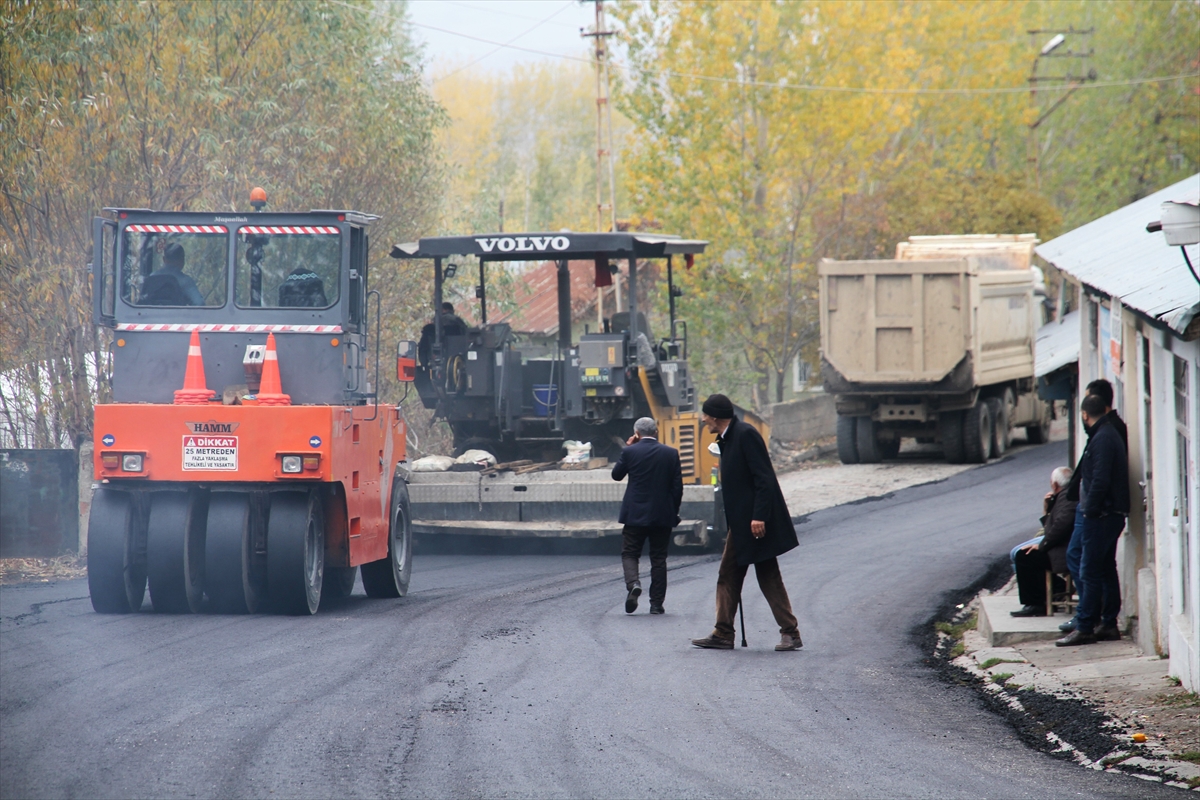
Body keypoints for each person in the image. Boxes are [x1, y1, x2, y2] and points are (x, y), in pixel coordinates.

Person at [691, 394, 802, 651]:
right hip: (741, 525)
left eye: (705, 415)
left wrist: (759, 516)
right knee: (728, 575)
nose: (703, 419)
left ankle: (790, 632)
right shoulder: (727, 438)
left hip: (754, 524)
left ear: (715, 417)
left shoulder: (745, 434)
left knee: (767, 577)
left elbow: (763, 478)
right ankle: (723, 632)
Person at [1057, 393, 1129, 646]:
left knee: (1089, 570)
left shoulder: (1102, 438)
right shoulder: (1106, 434)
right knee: (1105, 568)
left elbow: (1099, 480)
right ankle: (1108, 623)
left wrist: (1090, 510)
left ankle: (1086, 625)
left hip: (1101, 515)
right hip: (1109, 514)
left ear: (1084, 415)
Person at [611, 417, 683, 615]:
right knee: (659, 558)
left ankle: (633, 583)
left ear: (636, 433)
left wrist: (628, 447)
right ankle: (656, 604)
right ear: (656, 432)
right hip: (662, 514)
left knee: (630, 553)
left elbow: (616, 475)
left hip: (635, 514)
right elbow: (677, 488)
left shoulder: (629, 452)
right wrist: (673, 511)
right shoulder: (671, 453)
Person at [1010, 466, 1077, 617]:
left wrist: (1042, 545)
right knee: (1024, 554)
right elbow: (1052, 525)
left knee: (1024, 556)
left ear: (1054, 484)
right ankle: (1054, 589)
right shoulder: (1064, 496)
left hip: (1063, 550)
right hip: (1061, 546)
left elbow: (1059, 527)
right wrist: (1047, 508)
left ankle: (1036, 603)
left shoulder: (1067, 499)